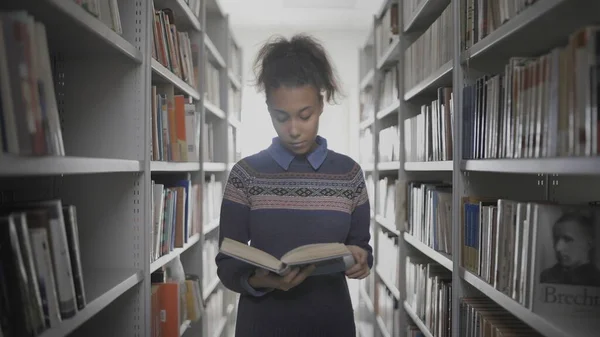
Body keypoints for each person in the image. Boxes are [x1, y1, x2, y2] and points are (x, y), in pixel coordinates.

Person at [214, 34, 373, 337]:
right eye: (281, 117)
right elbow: (227, 264)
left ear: (321, 104)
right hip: (262, 324)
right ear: (268, 109)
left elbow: (362, 247)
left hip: (331, 322)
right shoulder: (246, 174)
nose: (294, 130)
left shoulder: (349, 174)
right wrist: (264, 281)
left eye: (305, 115)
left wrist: (361, 260)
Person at [540, 211, 600, 287]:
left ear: (589, 244)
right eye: (556, 239)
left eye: (568, 239)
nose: (558, 248)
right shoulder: (547, 276)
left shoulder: (596, 280)